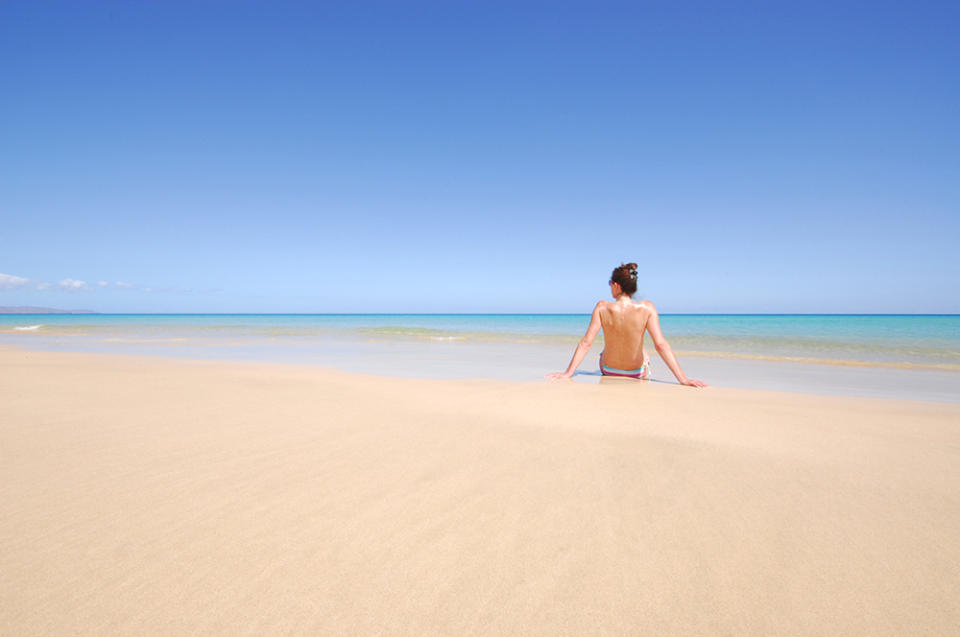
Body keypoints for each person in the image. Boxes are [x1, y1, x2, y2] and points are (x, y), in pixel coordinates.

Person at [546, 263, 707, 387]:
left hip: (609, 370)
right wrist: (683, 379)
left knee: (606, 348)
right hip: (637, 372)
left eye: (610, 283)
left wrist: (568, 373)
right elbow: (660, 344)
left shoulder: (602, 307)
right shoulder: (647, 308)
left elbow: (586, 343)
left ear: (616, 285)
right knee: (643, 349)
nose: (609, 286)